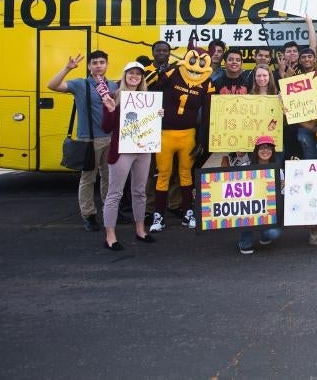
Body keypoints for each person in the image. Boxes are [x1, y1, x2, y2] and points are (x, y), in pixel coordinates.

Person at [150, 43, 216, 232]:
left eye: (201, 62)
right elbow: (153, 92)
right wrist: (154, 113)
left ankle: (188, 212)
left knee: (186, 175)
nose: (196, 66)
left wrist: (202, 140)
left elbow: (207, 115)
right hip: (165, 133)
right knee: (163, 174)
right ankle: (159, 216)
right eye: (193, 60)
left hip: (188, 134)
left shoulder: (208, 83)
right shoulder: (173, 73)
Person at [47, 51, 114, 232]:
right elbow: (52, 85)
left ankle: (110, 211)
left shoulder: (113, 85)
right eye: (95, 63)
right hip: (89, 139)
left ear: (107, 65)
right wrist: (67, 68)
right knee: (88, 178)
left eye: (102, 62)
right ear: (89, 66)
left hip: (110, 138)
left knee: (109, 178)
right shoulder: (81, 84)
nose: (98, 65)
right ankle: (89, 215)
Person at [99, 62, 160, 249]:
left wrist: (158, 115)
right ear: (125, 75)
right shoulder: (114, 96)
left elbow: (150, 124)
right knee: (115, 193)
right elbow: (106, 127)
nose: (134, 76)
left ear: (142, 78)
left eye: (138, 74)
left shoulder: (147, 98)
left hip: (143, 150)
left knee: (140, 191)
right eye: (131, 73)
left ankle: (140, 230)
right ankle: (110, 236)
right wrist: (110, 110)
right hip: (122, 150)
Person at [230, 136, 283, 254]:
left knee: (273, 232)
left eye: (269, 148)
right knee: (244, 210)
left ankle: (265, 234)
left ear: (273, 151)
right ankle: (245, 240)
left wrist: (283, 186)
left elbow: (281, 194)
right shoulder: (245, 168)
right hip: (247, 211)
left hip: (267, 211)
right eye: (262, 148)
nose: (266, 151)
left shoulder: (278, 171)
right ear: (256, 150)